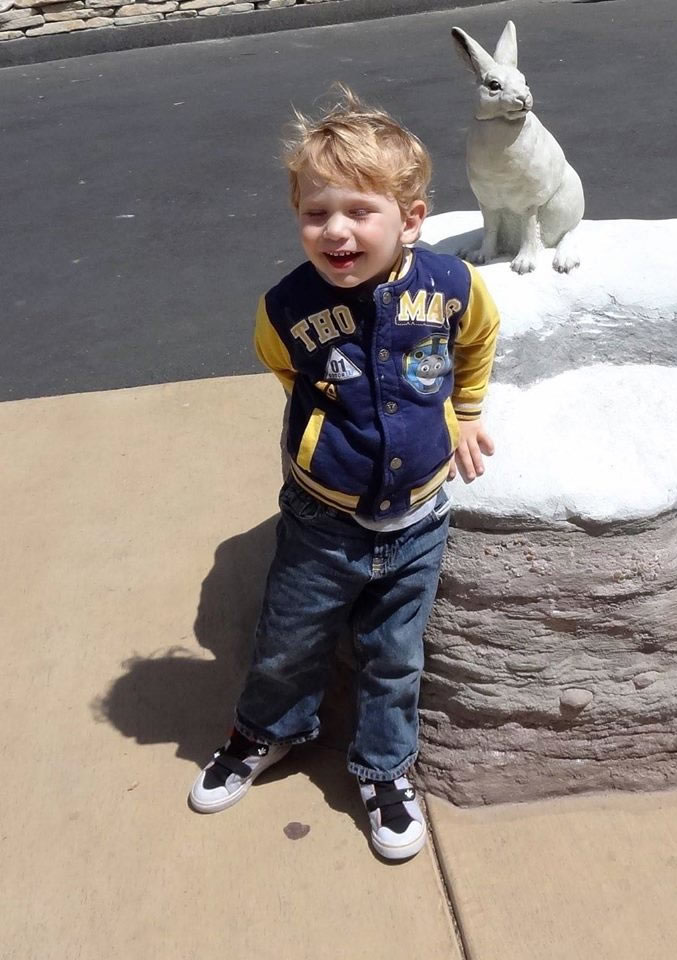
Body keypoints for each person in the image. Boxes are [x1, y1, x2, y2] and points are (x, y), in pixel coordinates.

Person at [188, 89, 499, 861]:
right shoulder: (287, 306)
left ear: (411, 220)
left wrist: (464, 412)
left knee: (395, 657)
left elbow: (477, 341)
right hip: (322, 520)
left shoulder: (452, 286)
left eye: (360, 211)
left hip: (419, 519)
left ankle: (384, 769)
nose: (336, 231)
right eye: (316, 213)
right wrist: (324, 429)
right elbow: (284, 368)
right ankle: (264, 731)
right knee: (288, 640)